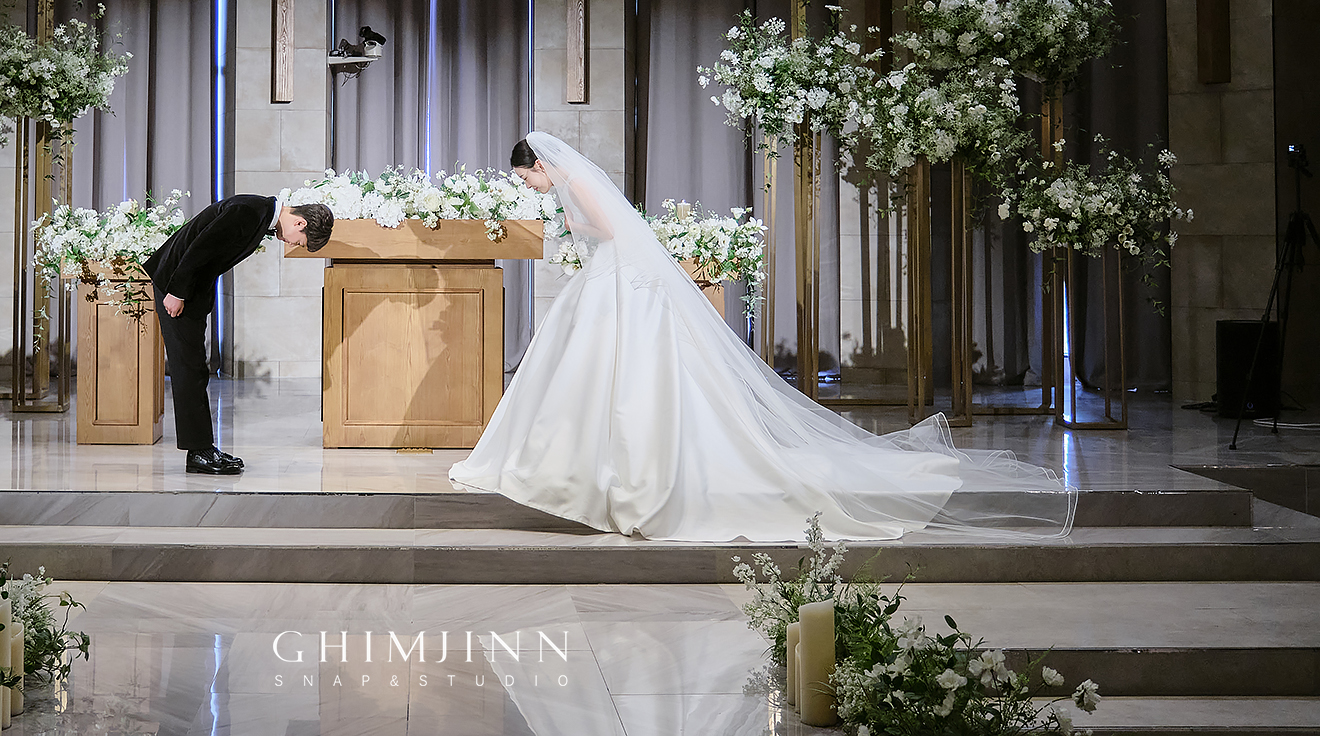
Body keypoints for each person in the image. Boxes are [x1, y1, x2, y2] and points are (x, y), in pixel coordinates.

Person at [449, 131, 1075, 542]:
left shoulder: (576, 183)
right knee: (599, 378)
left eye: (525, 178)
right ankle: (585, 469)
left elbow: (611, 229)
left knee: (622, 378)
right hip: (614, 281)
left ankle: (616, 472)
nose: (528, 186)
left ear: (539, 164)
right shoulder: (566, 186)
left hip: (621, 282)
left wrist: (569, 228)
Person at [143, 193, 334, 474]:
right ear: (300, 223)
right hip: (175, 284)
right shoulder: (248, 211)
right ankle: (199, 453)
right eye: (300, 241)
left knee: (194, 368)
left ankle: (202, 449)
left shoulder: (258, 213)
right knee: (189, 369)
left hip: (188, 290)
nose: (293, 244)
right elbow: (200, 248)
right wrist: (177, 292)